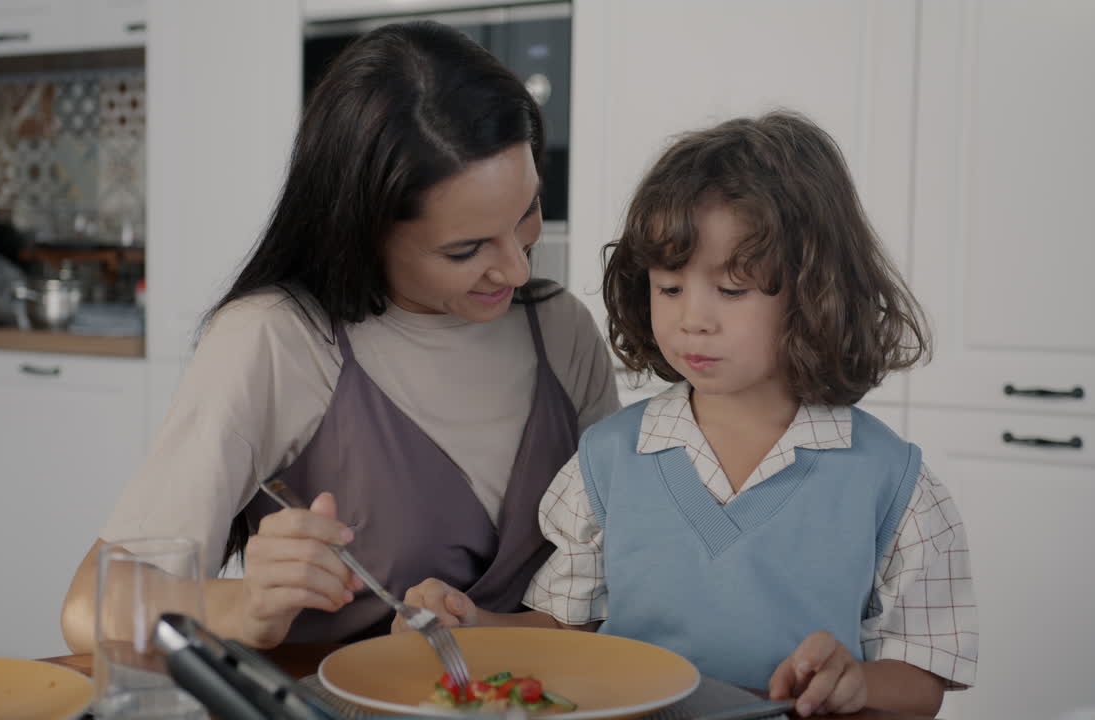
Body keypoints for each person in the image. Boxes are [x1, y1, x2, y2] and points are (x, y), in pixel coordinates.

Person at [59, 21, 619, 652]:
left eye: (528, 213)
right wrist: (245, 606)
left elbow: (615, 582)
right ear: (362, 228)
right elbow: (88, 608)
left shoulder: (561, 331)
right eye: (466, 249)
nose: (516, 269)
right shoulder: (280, 340)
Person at [396, 112, 977, 717]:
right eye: (670, 288)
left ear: (815, 291)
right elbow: (564, 633)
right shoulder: (606, 462)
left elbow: (923, 679)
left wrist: (857, 684)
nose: (692, 319)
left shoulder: (894, 484)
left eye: (732, 290)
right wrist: (470, 625)